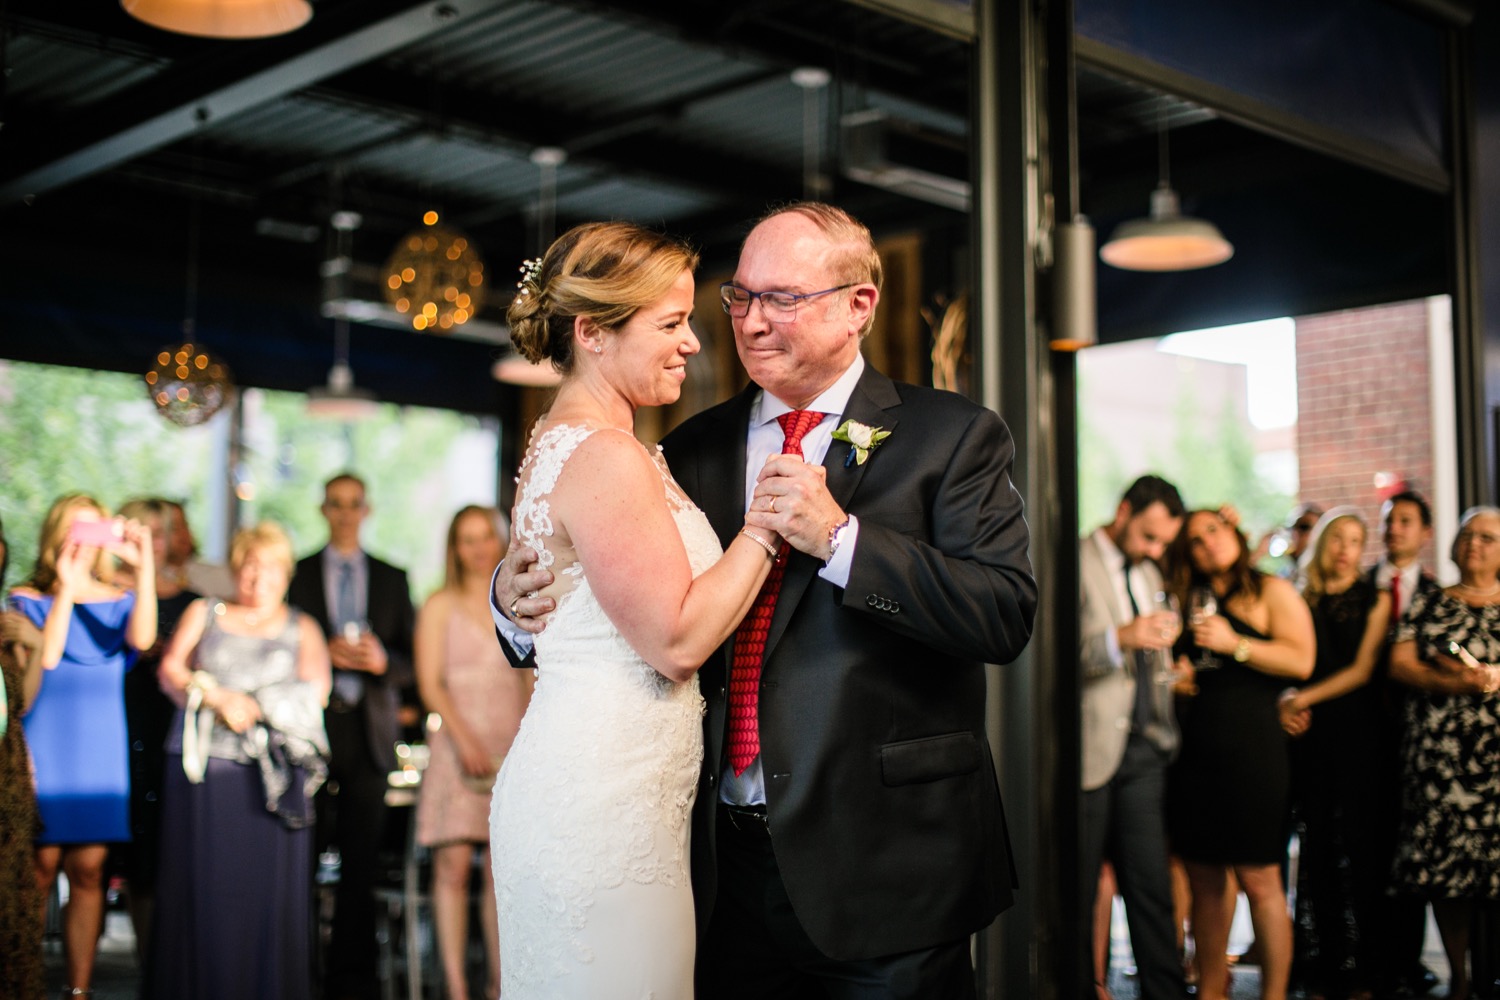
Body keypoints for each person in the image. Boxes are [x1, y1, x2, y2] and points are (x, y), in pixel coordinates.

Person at [495, 202, 1037, 999]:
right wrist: (513, 599)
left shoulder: (951, 436)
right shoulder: (687, 446)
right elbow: (623, 589)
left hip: (885, 862)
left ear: (859, 305)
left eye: (781, 298)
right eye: (740, 296)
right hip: (715, 866)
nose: (748, 322)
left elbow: (1003, 612)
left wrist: (842, 540)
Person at [482, 220, 782, 998]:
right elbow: (675, 640)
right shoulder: (605, 453)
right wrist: (766, 529)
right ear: (592, 332)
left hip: (608, 791)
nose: (692, 343)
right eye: (671, 323)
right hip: (602, 809)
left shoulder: (573, 440)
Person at [145, 521, 331, 1000]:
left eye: (269, 567)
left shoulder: (302, 627)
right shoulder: (205, 612)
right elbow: (170, 669)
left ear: (286, 573)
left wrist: (257, 704)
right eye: (249, 565)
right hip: (205, 766)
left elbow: (316, 693)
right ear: (234, 569)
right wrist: (214, 696)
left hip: (272, 776)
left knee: (262, 892)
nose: (257, 576)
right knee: (203, 884)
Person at [8, 493, 156, 999]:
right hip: (45, 740)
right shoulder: (26, 599)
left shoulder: (120, 599)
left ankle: (79, 990)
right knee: (38, 867)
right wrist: (67, 590)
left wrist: (144, 567)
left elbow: (144, 638)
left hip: (99, 745)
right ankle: (23, 981)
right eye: (75, 529)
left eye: (93, 529)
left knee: (90, 870)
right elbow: (45, 660)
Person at [1164, 508, 1314, 1000]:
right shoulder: (1189, 598)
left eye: (1214, 529)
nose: (1208, 542)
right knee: (1204, 880)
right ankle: (1212, 987)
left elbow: (1302, 659)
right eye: (1196, 539)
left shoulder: (1272, 591)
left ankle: (1274, 993)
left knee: (1260, 879)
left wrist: (1237, 645)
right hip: (1197, 753)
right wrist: (1182, 681)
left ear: (1234, 530)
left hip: (1254, 753)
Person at [286, 473, 415, 1000]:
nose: (344, 513)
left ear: (367, 510)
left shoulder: (391, 577)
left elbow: (412, 664)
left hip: (369, 734)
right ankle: (297, 970)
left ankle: (352, 982)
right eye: (335, 504)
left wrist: (381, 661)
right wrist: (322, 652)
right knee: (301, 858)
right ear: (323, 509)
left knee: (361, 867)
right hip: (311, 730)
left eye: (353, 504)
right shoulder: (296, 574)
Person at [414, 505, 534, 1000]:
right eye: (467, 539)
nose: (478, 547)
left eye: (485, 536)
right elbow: (430, 684)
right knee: (453, 868)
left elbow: (529, 676)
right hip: (456, 747)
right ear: (455, 549)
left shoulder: (518, 602)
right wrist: (462, 740)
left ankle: (499, 985)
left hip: (511, 743)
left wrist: (530, 741)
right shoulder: (438, 605)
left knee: (499, 873)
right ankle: (457, 987)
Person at [1078, 474, 1188, 1000]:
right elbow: (1049, 652)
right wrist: (1120, 638)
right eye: (1149, 536)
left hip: (1145, 747)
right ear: (1123, 512)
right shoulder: (1072, 560)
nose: (1156, 550)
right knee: (1079, 887)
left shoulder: (1148, 570)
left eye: (1164, 542)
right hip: (1092, 747)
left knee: (1152, 889)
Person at [1276, 509, 1392, 1000]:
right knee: (1317, 849)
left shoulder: (1375, 598)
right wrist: (1286, 698)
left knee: (1361, 852)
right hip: (1309, 738)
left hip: (1358, 735)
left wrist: (1300, 697)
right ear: (1322, 542)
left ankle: (1366, 970)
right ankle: (1321, 967)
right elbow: (1285, 662)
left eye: (1355, 540)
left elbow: (1362, 670)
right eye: (1338, 538)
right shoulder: (1296, 594)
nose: (1346, 548)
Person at [1387, 506, 1500, 1000]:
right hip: (1441, 758)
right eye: (1467, 535)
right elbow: (1399, 663)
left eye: (1487, 537)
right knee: (1448, 873)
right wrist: (1455, 683)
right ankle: (1459, 975)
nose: (1474, 543)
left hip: (1496, 763)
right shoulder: (1430, 601)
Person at [115, 497, 201, 958]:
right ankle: (146, 958)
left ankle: (170, 958)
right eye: (142, 531)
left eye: (160, 532)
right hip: (122, 721)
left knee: (171, 841)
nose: (153, 541)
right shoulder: (107, 593)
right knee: (136, 849)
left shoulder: (194, 602)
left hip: (172, 724)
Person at [1367, 490, 1441, 1000]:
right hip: (1363, 734)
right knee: (1369, 846)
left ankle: (1408, 960)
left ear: (1426, 533)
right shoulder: (1358, 588)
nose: (1395, 529)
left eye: (1406, 521)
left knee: (1412, 848)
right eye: (1389, 520)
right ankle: (1372, 960)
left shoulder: (1438, 595)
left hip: (1419, 736)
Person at [0, 514, 46, 1000]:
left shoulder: (4, 622)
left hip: (7, 777)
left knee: (12, 900)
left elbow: (21, 704)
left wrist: (34, 647)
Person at [161, 499, 234, 600]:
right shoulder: (150, 580)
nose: (183, 533)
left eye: (185, 525)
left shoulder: (219, 574)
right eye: (174, 528)